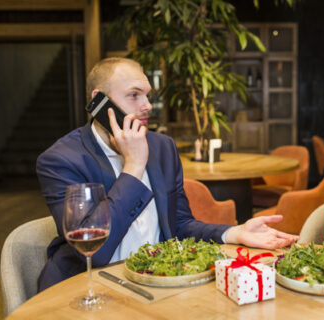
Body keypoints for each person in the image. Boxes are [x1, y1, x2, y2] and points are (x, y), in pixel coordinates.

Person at [36, 57, 298, 292]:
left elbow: (179, 225)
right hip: (88, 287)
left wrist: (235, 233)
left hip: (157, 282)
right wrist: (134, 165)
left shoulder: (162, 147)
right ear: (98, 100)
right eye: (134, 95)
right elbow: (95, 250)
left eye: (148, 95)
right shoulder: (60, 160)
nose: (148, 105)